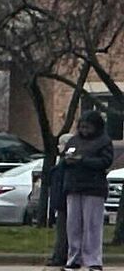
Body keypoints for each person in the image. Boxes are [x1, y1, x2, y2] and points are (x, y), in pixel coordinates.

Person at [63, 111, 113, 271]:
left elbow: (105, 161)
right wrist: (68, 160)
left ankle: (93, 260)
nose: (84, 130)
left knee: (92, 225)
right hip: (74, 186)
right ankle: (74, 258)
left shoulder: (103, 142)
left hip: (94, 188)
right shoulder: (73, 140)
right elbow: (64, 158)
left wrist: (83, 160)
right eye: (82, 127)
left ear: (96, 127)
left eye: (88, 127)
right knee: (73, 225)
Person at [46, 133, 73, 267]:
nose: (58, 147)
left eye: (61, 144)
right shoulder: (62, 162)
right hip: (61, 201)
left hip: (64, 201)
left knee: (63, 232)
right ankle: (60, 255)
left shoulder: (66, 164)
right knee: (62, 230)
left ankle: (60, 256)